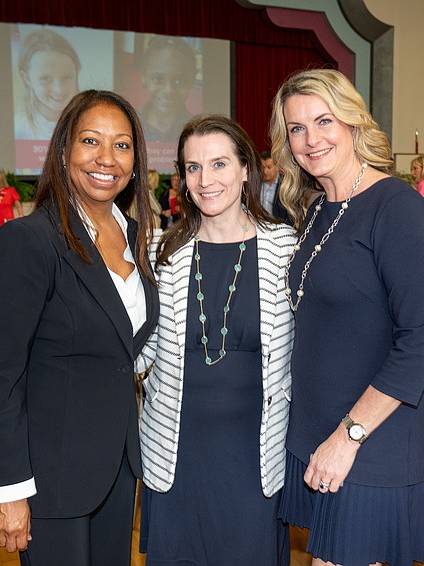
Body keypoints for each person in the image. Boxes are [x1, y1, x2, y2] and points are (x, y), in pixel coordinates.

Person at [0, 90, 160, 565]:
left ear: (136, 160)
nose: (106, 158)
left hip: (118, 467)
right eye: (90, 141)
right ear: (62, 151)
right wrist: (8, 487)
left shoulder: (138, 236)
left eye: (121, 145)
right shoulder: (29, 241)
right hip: (49, 478)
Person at [270, 69, 424, 566]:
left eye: (323, 120)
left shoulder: (398, 208)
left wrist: (349, 437)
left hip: (370, 438)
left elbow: (419, 342)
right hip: (320, 425)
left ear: (352, 123)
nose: (311, 138)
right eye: (296, 128)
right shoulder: (320, 206)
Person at [137, 115, 295, 564]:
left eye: (219, 164)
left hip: (256, 455)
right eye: (193, 168)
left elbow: (328, 324)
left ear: (247, 169)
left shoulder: (287, 248)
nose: (206, 180)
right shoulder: (162, 252)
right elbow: (139, 347)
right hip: (175, 453)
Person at [14, 29, 81, 141]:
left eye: (67, 78)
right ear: (26, 79)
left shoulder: (89, 124)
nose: (59, 90)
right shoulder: (19, 130)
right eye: (45, 79)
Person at [138, 36, 197, 143]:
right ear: (143, 78)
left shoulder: (199, 130)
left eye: (179, 81)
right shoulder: (128, 124)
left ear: (192, 80)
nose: (168, 90)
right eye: (158, 79)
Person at [260, 150, 291, 224]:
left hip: (278, 225)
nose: (265, 171)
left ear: (277, 167)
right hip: (259, 224)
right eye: (263, 167)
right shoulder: (256, 183)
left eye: (269, 167)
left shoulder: (285, 185)